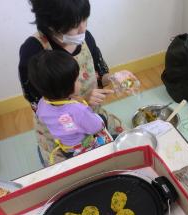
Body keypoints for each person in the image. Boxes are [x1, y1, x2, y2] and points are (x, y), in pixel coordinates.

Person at [19, 0, 124, 165]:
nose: (83, 28)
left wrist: (111, 78)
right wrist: (81, 103)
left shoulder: (85, 37)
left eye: (84, 19)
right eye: (75, 25)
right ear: (52, 25)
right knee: (71, 171)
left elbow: (99, 73)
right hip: (61, 131)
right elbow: (37, 102)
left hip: (90, 115)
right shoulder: (33, 51)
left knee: (122, 143)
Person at [28, 51, 112, 165]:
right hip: (83, 148)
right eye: (77, 79)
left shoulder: (42, 104)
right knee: (103, 120)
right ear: (66, 88)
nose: (80, 81)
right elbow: (96, 127)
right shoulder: (78, 110)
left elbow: (46, 118)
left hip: (67, 148)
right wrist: (98, 118)